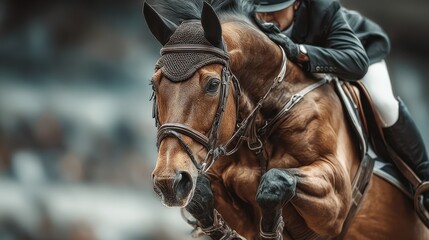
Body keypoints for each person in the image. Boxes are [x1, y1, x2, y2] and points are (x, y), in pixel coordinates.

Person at [252, 0, 429, 208]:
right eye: (261, 12)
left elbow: (357, 62)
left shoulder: (324, 9)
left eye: (274, 11)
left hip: (355, 52)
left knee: (384, 103)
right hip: (303, 70)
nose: (266, 18)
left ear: (297, 4)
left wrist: (300, 51)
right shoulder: (246, 10)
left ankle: (423, 177)